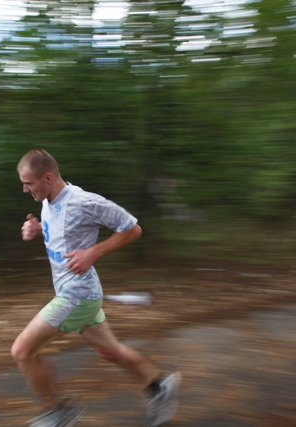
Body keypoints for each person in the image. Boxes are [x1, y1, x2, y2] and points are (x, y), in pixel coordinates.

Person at [11, 149, 181, 427]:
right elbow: (64, 231)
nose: (25, 189)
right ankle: (159, 387)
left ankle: (58, 411)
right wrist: (38, 229)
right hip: (82, 295)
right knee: (111, 351)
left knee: (22, 351)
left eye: (28, 183)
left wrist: (93, 253)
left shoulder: (83, 202)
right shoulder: (48, 199)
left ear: (48, 177)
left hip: (76, 295)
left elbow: (132, 228)